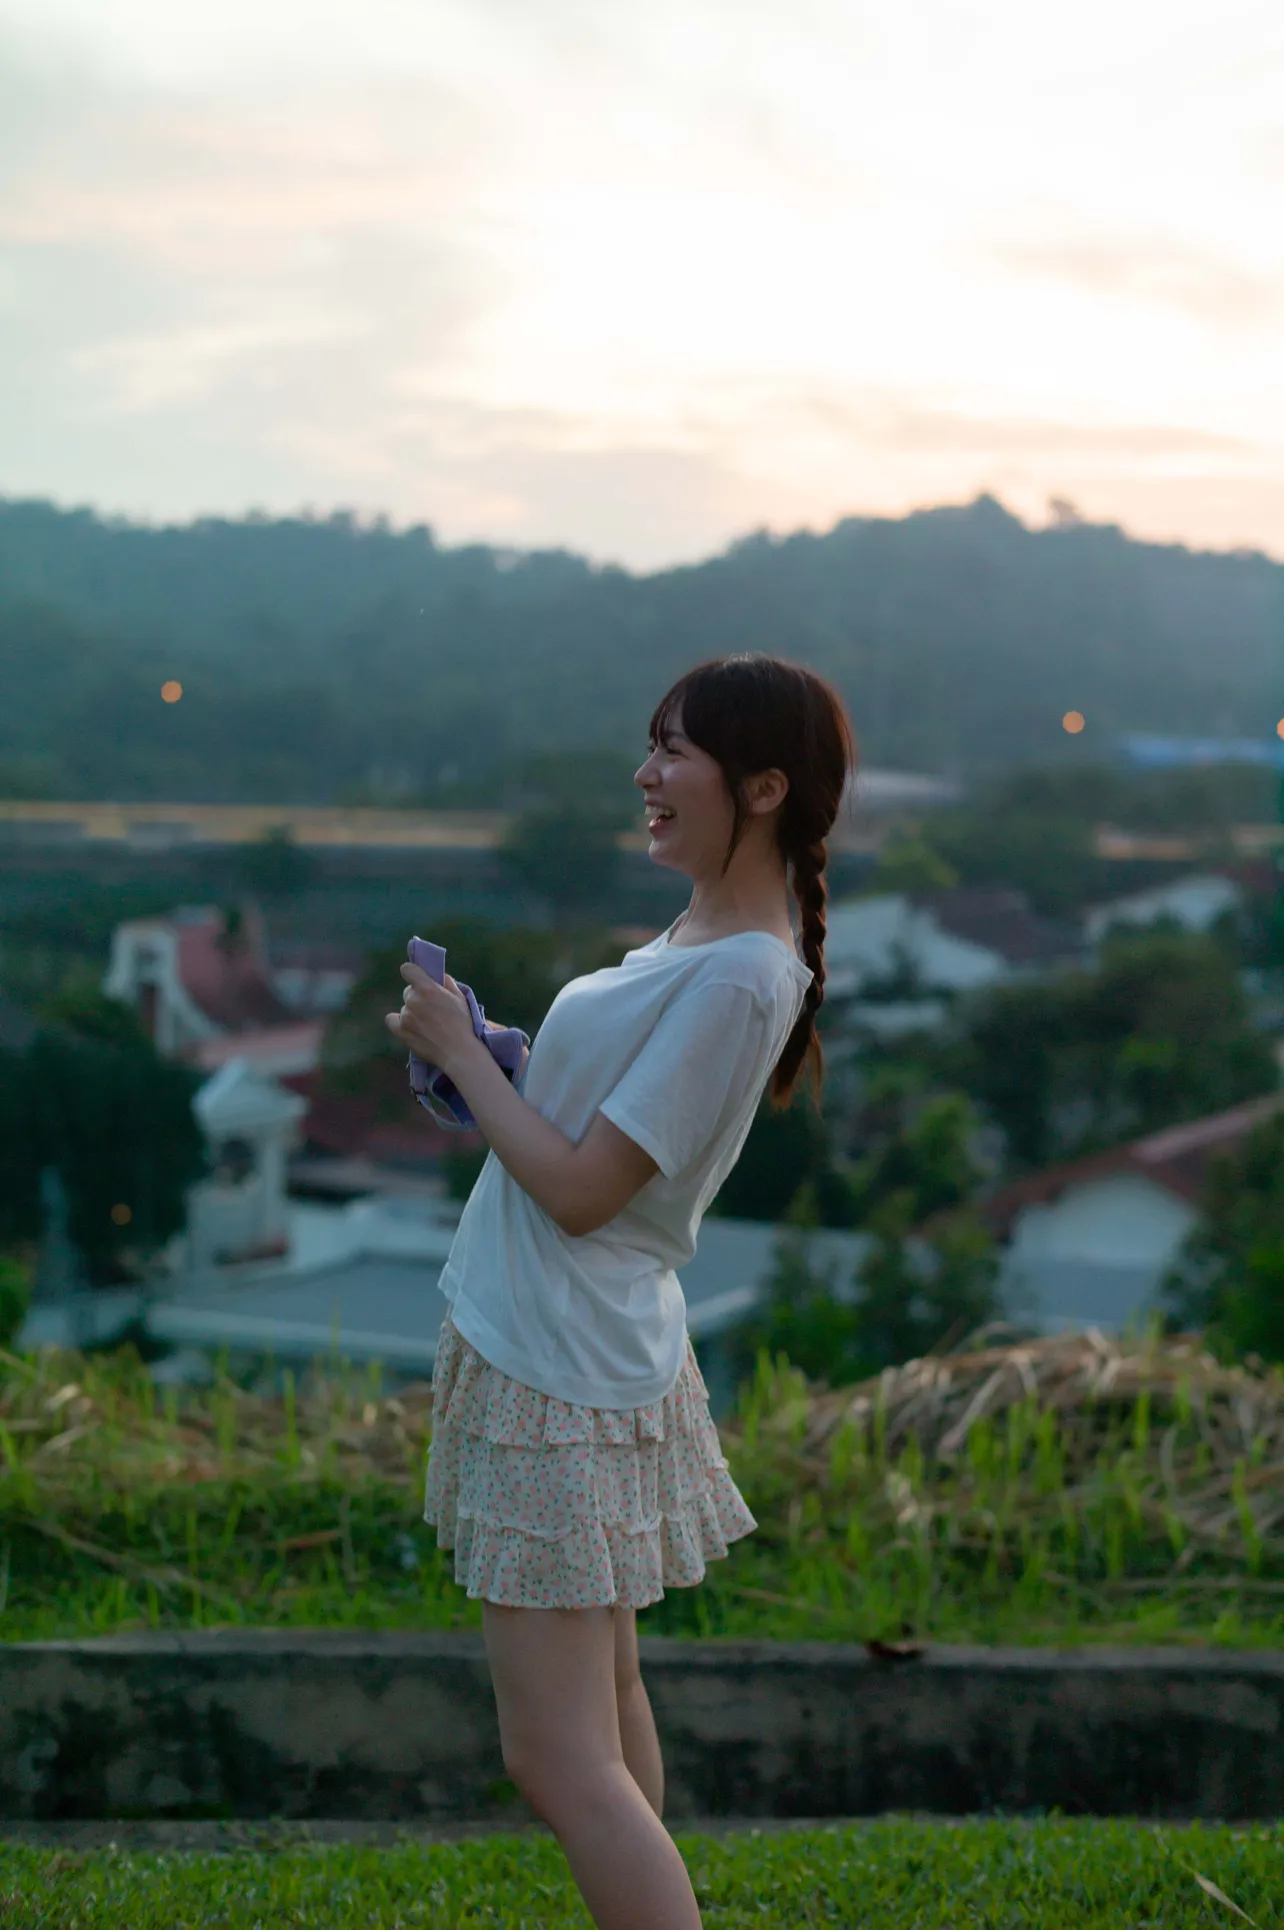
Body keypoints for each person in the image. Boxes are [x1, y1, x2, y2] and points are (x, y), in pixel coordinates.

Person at [386, 653, 856, 1930]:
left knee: (556, 1756)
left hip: (561, 1360)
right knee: (609, 1713)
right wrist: (504, 1060)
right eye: (650, 745)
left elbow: (588, 1191)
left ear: (761, 788)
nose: (646, 776)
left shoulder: (744, 971)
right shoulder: (704, 931)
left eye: (675, 752)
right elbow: (609, 1140)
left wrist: (458, 1068)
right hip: (570, 1343)